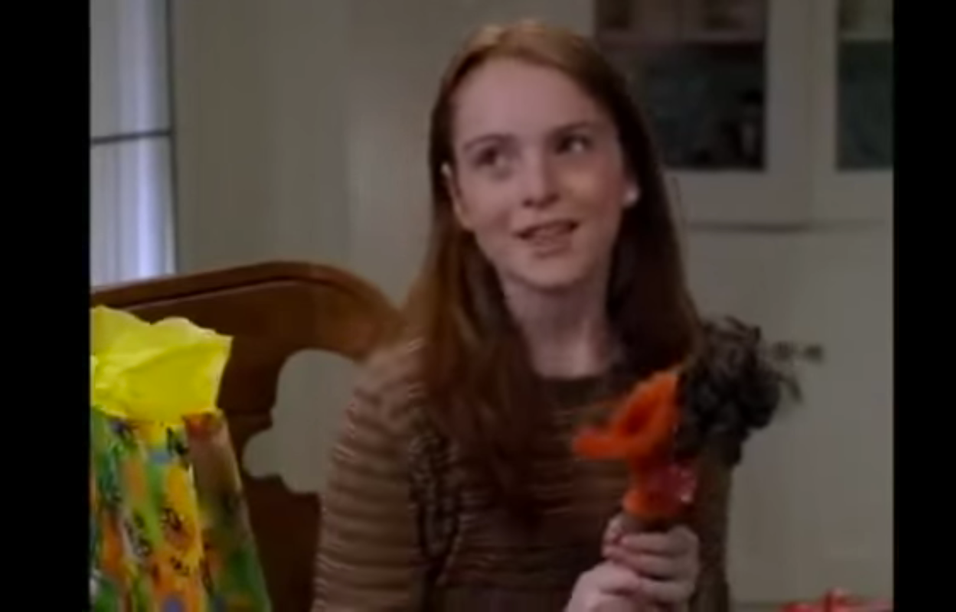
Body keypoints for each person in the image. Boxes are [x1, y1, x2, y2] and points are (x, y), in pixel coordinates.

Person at [311, 20, 788, 612]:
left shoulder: (690, 384)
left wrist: (691, 592)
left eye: (571, 145)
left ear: (630, 172)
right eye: (494, 158)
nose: (537, 188)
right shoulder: (396, 413)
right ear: (459, 199)